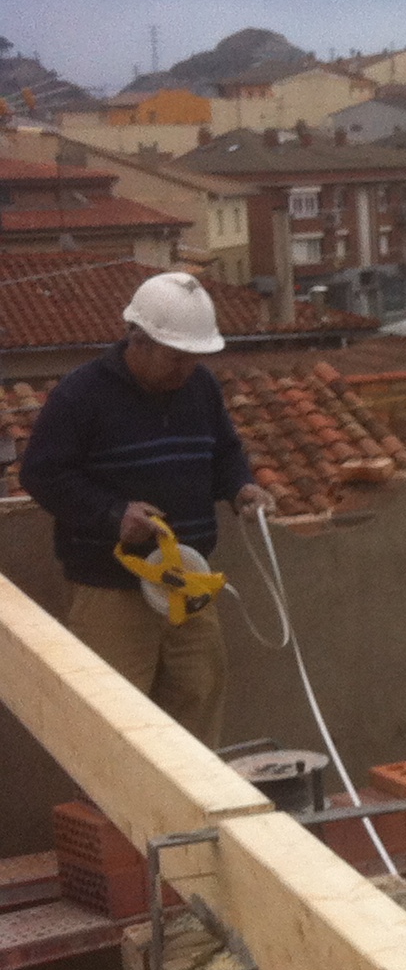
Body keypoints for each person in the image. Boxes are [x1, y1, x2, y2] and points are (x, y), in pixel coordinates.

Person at [19, 272, 274, 745]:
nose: (186, 370)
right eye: (176, 358)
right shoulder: (82, 395)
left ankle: (190, 816)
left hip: (189, 581)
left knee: (198, 695)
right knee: (114, 724)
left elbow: (223, 452)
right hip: (111, 590)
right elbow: (41, 474)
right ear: (139, 339)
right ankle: (116, 820)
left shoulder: (201, 389)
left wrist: (241, 487)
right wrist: (114, 514)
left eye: (195, 358)